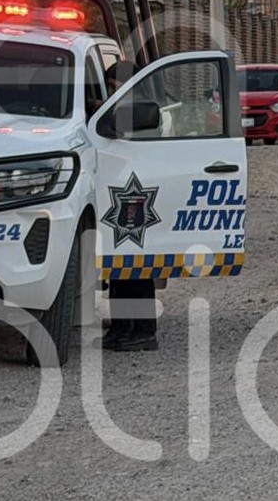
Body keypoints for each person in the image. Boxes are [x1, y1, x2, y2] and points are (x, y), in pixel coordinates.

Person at [99, 60, 164, 352]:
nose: (114, 92)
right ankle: (122, 325)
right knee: (118, 265)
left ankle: (143, 330)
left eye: (117, 87)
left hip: (137, 192)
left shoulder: (144, 110)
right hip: (118, 191)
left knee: (138, 265)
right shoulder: (116, 109)